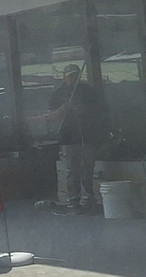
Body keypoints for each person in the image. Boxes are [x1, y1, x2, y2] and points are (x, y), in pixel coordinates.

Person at [35, 63, 106, 214]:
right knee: (72, 170)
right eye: (70, 76)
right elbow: (49, 116)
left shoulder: (88, 91)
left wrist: (81, 109)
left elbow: (98, 110)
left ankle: (89, 198)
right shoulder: (58, 94)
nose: (73, 78)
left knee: (88, 169)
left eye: (75, 75)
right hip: (68, 137)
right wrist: (62, 109)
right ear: (64, 77)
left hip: (87, 136)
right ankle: (74, 200)